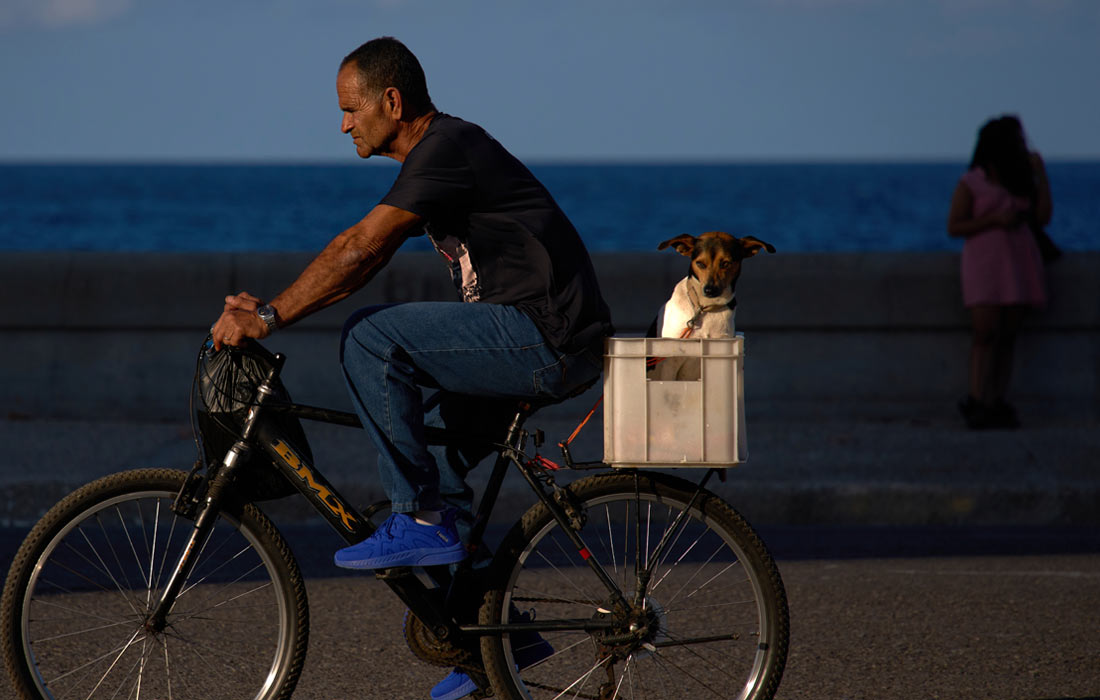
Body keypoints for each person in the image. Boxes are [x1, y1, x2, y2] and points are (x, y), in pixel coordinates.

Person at [209, 36, 612, 699]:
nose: (342, 124)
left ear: (391, 103)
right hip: (541, 339)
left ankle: (419, 520)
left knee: (372, 338)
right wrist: (274, 309)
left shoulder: (445, 150)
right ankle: (501, 637)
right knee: (430, 451)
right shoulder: (438, 158)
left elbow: (360, 246)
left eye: (350, 109)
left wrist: (270, 318)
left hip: (545, 338)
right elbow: (359, 265)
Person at [947, 115, 1052, 429]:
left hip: (1018, 261)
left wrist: (1040, 175)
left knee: (1008, 336)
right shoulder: (972, 182)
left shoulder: (1021, 181)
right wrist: (995, 221)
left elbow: (1043, 217)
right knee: (985, 333)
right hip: (985, 263)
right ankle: (977, 398)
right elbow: (954, 225)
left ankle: (997, 400)